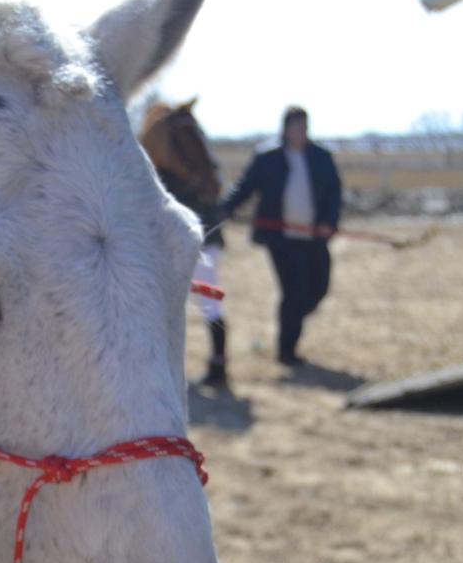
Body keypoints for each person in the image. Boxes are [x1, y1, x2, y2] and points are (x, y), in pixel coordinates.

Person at [220, 106, 341, 367]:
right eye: (295, 127)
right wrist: (224, 208)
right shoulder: (268, 158)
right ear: (285, 129)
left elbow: (334, 193)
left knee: (319, 287)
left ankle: (293, 320)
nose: (300, 132)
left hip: (314, 236)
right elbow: (245, 186)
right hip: (282, 239)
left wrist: (328, 223)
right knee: (294, 292)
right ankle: (287, 351)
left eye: (304, 127)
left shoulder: (321, 157)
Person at [139, 99, 229, 387]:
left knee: (207, 302)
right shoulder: (155, 175)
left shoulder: (186, 172)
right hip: (177, 244)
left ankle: (218, 363)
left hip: (200, 242)